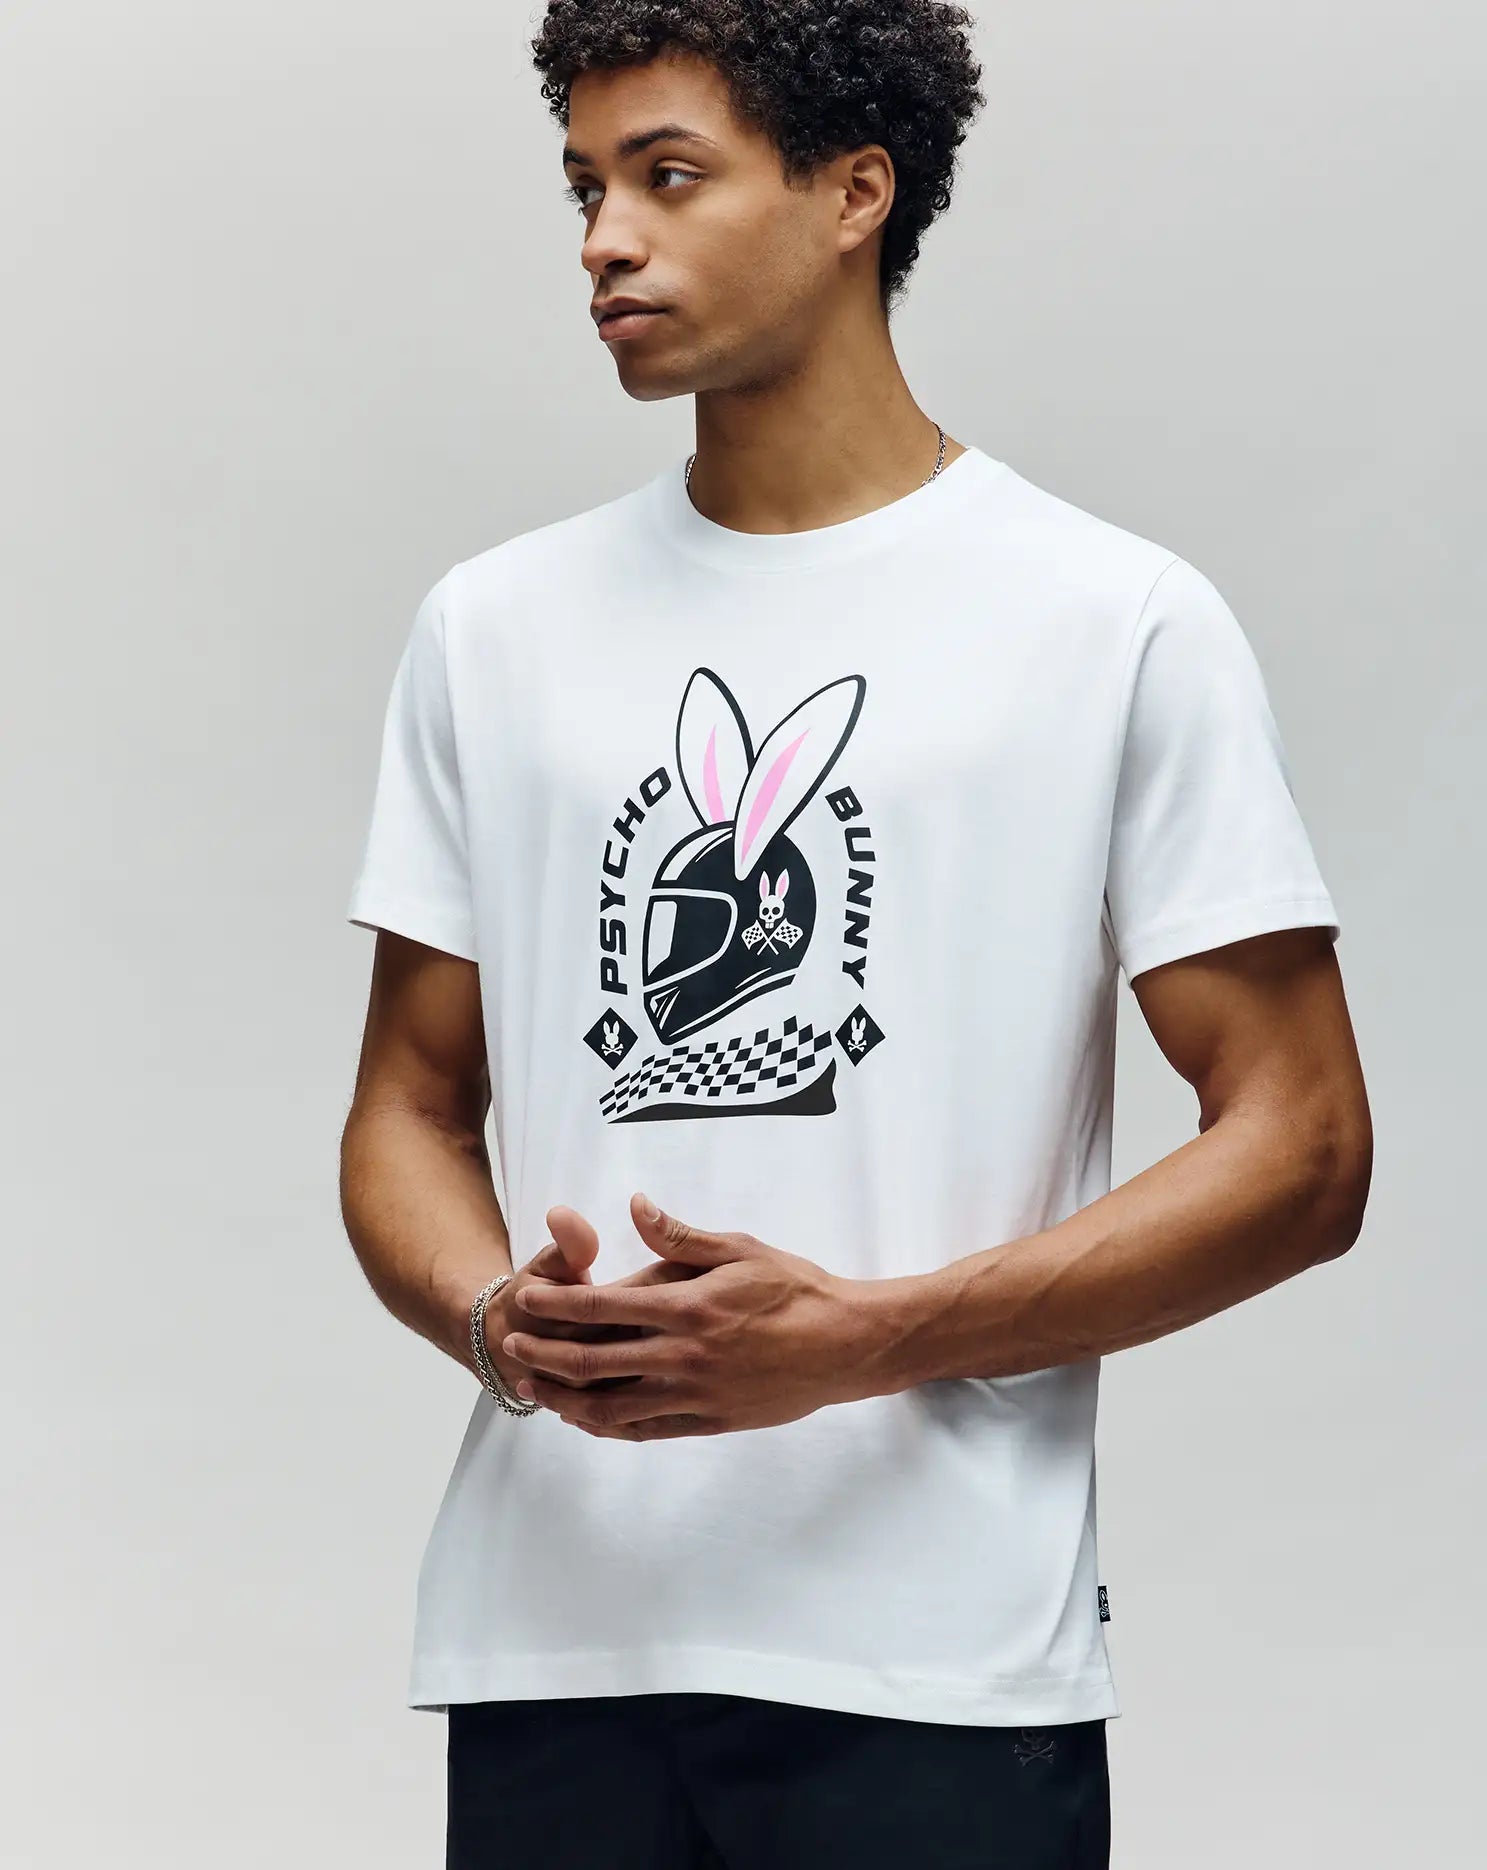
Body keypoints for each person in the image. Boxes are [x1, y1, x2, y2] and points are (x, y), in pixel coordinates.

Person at [339, 4, 1373, 1865]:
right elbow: (407, 1108)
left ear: (853, 195)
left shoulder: (1111, 620)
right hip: (554, 1647)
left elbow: (1304, 1148)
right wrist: (500, 1320)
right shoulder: (492, 630)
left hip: (939, 1670)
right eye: (585, 189)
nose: (602, 241)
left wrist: (868, 1336)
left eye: (668, 177)